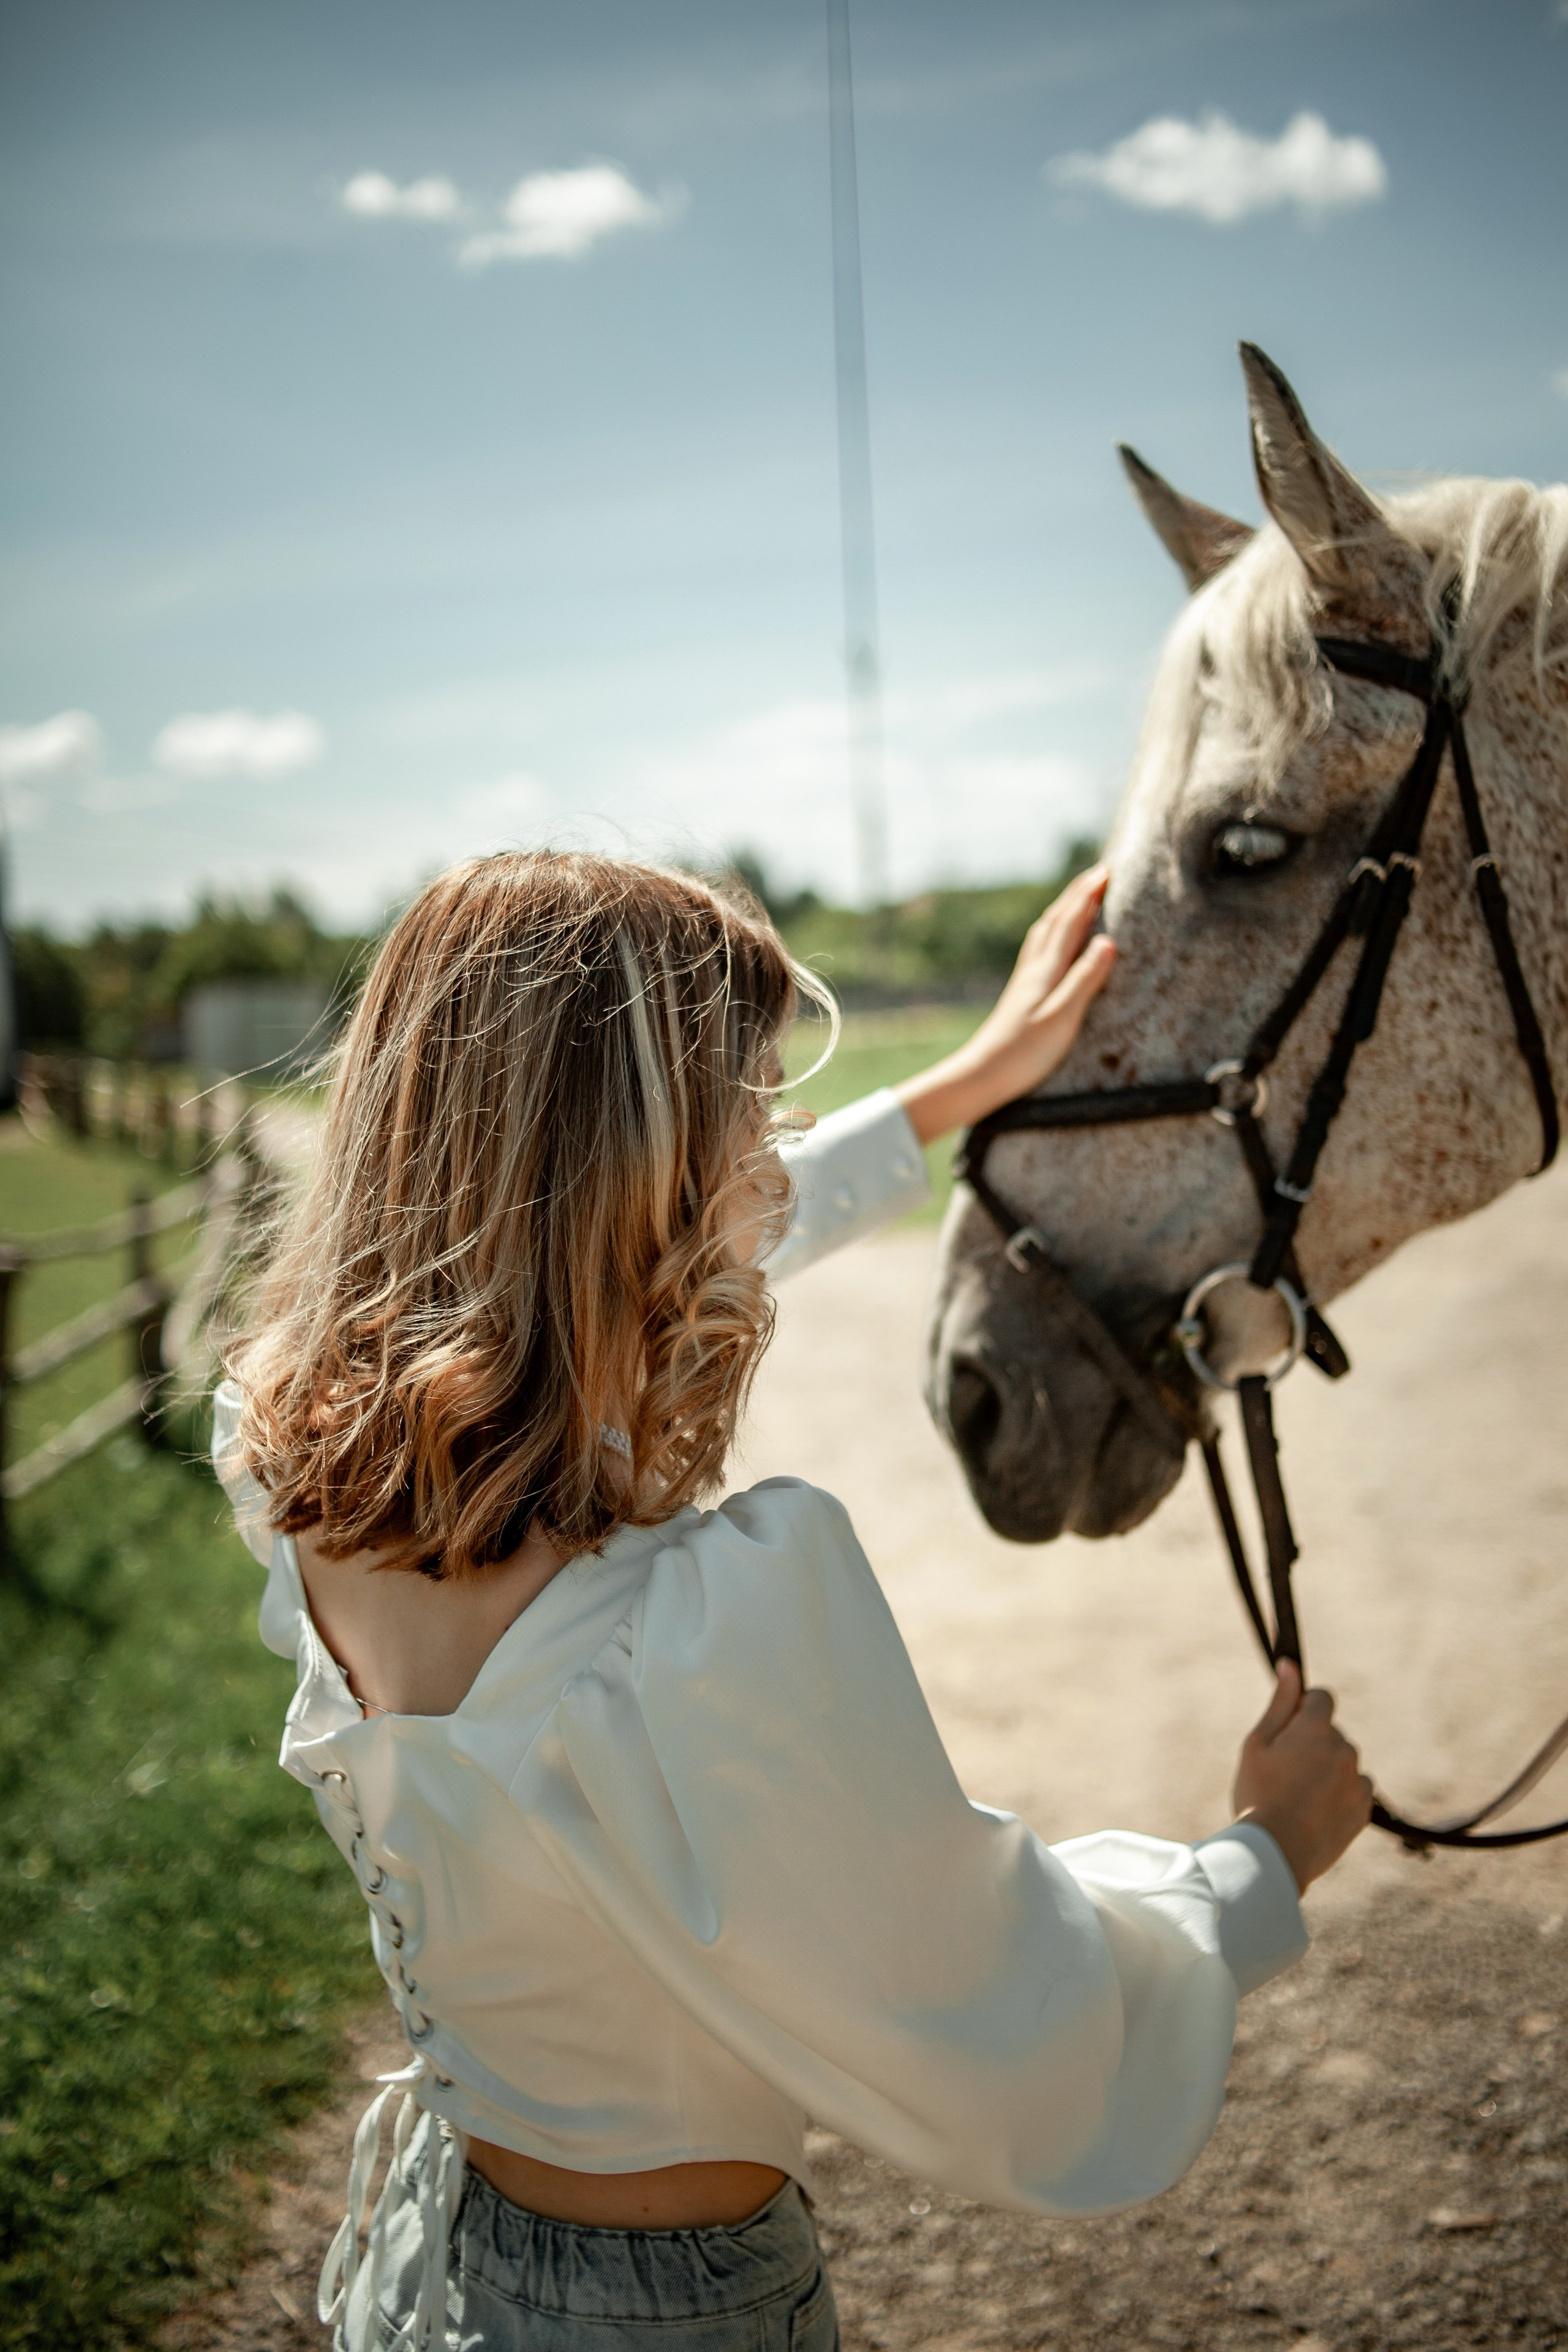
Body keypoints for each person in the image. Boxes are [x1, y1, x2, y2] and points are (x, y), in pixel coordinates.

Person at [213, 850, 1370, 2352]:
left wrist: (957, 1090)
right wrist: (1261, 1857)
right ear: (642, 1172)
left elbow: (583, 1258)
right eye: (754, 1108)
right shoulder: (682, 1636)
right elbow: (999, 1997)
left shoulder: (300, 1459)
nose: (784, 1144)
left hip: (461, 2269)